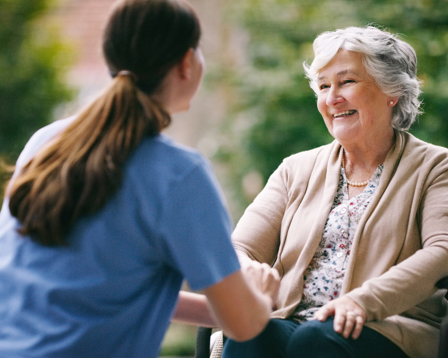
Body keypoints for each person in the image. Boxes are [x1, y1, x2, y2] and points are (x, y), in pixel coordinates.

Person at [0, 0, 280, 357]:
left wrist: (223, 307)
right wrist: (261, 298)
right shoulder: (180, 175)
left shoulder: (47, 141)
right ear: (186, 64)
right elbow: (245, 325)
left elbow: (100, 289)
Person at [222, 26, 448, 358]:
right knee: (253, 334)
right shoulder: (295, 169)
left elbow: (441, 251)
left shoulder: (435, 166)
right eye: (324, 86)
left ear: (392, 91)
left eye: (347, 82)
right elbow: (240, 248)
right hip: (293, 320)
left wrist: (363, 301)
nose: (332, 98)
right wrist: (248, 269)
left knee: (316, 340)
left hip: (386, 326)